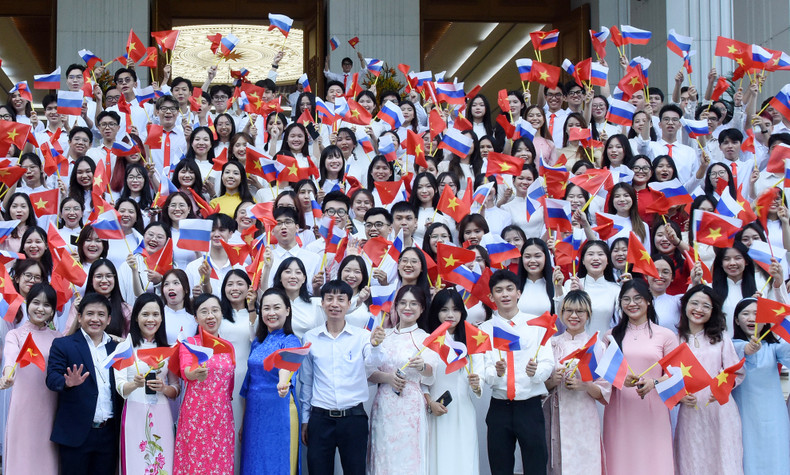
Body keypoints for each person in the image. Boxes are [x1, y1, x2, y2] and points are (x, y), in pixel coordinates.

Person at [299, 280, 386, 475]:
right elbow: (306, 381)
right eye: (329, 299)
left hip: (353, 418)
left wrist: (376, 345)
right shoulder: (310, 338)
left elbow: (373, 364)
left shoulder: (362, 337)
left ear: (349, 304)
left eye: (340, 299)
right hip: (320, 419)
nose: (334, 304)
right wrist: (306, 419)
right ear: (322, 303)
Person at [479, 270, 554, 475]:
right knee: (500, 466)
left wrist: (535, 372)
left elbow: (548, 361)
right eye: (499, 290)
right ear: (491, 297)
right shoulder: (485, 330)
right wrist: (496, 372)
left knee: (536, 465)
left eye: (510, 289)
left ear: (519, 293)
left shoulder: (536, 324)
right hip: (500, 406)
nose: (505, 294)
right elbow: (484, 369)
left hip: (529, 405)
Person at [603, 279, 677, 475]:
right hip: (619, 409)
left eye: (637, 298)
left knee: (654, 461)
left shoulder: (666, 335)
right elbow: (603, 374)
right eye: (626, 299)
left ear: (649, 301)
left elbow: (676, 375)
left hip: (654, 410)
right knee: (620, 460)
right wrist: (620, 378)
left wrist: (654, 382)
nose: (632, 303)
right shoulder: (610, 336)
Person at [46, 293, 124, 475]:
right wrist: (67, 382)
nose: (95, 319)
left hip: (109, 434)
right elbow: (51, 379)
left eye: (101, 314)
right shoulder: (63, 345)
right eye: (89, 314)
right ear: (79, 317)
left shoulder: (116, 349)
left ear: (109, 319)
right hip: (76, 433)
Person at [673, 285, 743, 474]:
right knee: (692, 458)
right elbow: (667, 376)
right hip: (690, 412)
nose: (699, 309)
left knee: (723, 458)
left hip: (719, 409)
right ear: (685, 305)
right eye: (694, 303)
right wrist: (679, 396)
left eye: (706, 306)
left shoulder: (721, 337)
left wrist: (721, 389)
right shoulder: (675, 339)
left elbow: (735, 371)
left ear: (713, 311)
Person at [368, 285, 437, 473]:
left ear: (422, 308)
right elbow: (369, 371)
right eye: (403, 303)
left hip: (411, 406)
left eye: (414, 303)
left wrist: (422, 366)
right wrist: (388, 378)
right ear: (396, 306)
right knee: (383, 454)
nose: (408, 307)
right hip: (384, 404)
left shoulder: (425, 338)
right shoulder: (384, 335)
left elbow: (431, 375)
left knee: (409, 457)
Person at [544, 290, 610, 474]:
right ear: (562, 312)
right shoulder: (551, 344)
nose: (574, 316)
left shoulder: (596, 346)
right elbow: (539, 385)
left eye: (580, 311)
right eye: (569, 310)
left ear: (588, 314)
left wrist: (584, 385)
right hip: (555, 414)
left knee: (586, 462)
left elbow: (605, 389)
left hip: (584, 416)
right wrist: (552, 382)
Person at [240, 288, 303, 475]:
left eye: (277, 307)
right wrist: (244, 421)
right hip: (254, 414)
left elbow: (288, 363)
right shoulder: (257, 343)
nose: (271, 313)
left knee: (279, 464)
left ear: (287, 310)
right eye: (266, 308)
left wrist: (283, 383)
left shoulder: (291, 340)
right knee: (254, 463)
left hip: (280, 409)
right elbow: (249, 383)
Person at [0, 283, 61, 475]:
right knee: (22, 458)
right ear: (27, 304)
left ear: (52, 310)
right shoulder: (15, 335)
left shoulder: (58, 338)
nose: (41, 309)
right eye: (36, 302)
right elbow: (10, 358)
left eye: (47, 305)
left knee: (47, 459)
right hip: (23, 408)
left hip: (50, 408)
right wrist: (8, 375)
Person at [115, 293, 179, 475]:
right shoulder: (125, 347)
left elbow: (176, 389)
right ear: (136, 317)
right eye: (145, 314)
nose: (151, 319)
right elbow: (120, 387)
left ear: (161, 317)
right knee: (135, 463)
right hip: (134, 412)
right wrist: (134, 384)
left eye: (156, 314)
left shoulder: (170, 349)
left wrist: (164, 388)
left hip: (162, 413)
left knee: (162, 464)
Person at [173, 294, 236, 475]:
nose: (210, 316)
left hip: (222, 417)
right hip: (196, 417)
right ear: (195, 317)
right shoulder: (189, 344)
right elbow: (186, 371)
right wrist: (195, 374)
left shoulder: (228, 347)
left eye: (215, 310)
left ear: (221, 313)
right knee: (194, 464)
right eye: (204, 312)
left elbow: (229, 385)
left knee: (220, 464)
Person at [425, 288, 482, 475]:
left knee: (463, 458)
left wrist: (476, 383)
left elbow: (479, 375)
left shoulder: (472, 340)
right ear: (436, 312)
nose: (450, 314)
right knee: (437, 457)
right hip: (436, 408)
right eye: (444, 310)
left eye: (455, 309)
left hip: (463, 409)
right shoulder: (428, 340)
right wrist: (429, 403)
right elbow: (421, 380)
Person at [731, 297, 790, 475]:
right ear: (736, 320)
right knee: (747, 453)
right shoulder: (730, 346)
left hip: (774, 414)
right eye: (745, 314)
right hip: (743, 413)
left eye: (757, 314)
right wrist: (747, 349)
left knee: (776, 452)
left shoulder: (774, 348)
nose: (751, 318)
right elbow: (737, 355)